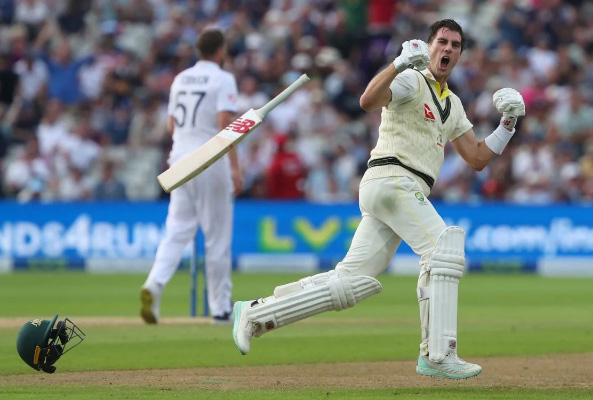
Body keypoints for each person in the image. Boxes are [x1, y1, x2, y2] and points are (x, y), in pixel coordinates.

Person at [232, 19, 525, 379]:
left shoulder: (453, 104)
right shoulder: (411, 79)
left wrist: (507, 125)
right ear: (429, 45)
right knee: (442, 250)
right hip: (393, 179)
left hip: (396, 190)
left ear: (461, 53)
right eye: (442, 42)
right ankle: (437, 354)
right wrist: (399, 63)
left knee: (349, 283)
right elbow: (367, 100)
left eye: (455, 45)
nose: (448, 49)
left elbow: (477, 158)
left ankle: (256, 313)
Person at [140, 28, 242, 324]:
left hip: (180, 161)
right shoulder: (223, 78)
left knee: (177, 231)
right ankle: (220, 308)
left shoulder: (180, 78)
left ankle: (153, 285)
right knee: (217, 237)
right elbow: (226, 124)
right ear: (220, 51)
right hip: (210, 160)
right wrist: (235, 167)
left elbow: (172, 127)